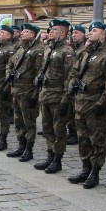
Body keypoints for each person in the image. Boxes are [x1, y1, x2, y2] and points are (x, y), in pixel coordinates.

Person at [67, 22, 106, 188]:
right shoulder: (86, 53)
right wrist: (72, 82)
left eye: (94, 31)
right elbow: (74, 71)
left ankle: (95, 172)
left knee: (97, 140)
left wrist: (102, 103)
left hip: (95, 104)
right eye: (90, 30)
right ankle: (85, 168)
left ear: (104, 35)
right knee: (83, 138)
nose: (90, 33)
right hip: (80, 101)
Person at [34, 19, 76, 174]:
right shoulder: (49, 49)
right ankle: (50, 155)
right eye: (50, 30)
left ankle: (57, 159)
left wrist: (66, 99)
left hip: (58, 96)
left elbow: (69, 77)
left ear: (63, 32)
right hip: (45, 94)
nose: (50, 32)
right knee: (47, 128)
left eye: (54, 30)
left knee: (58, 130)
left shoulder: (67, 51)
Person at [5, 23, 44, 161]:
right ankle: (21, 145)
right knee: (18, 120)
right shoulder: (21, 49)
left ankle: (29, 148)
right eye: (22, 31)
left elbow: (39, 72)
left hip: (28, 91)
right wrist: (9, 72)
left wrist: (35, 93)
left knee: (29, 122)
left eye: (26, 31)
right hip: (16, 89)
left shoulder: (38, 50)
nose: (22, 33)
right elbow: (9, 63)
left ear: (33, 34)